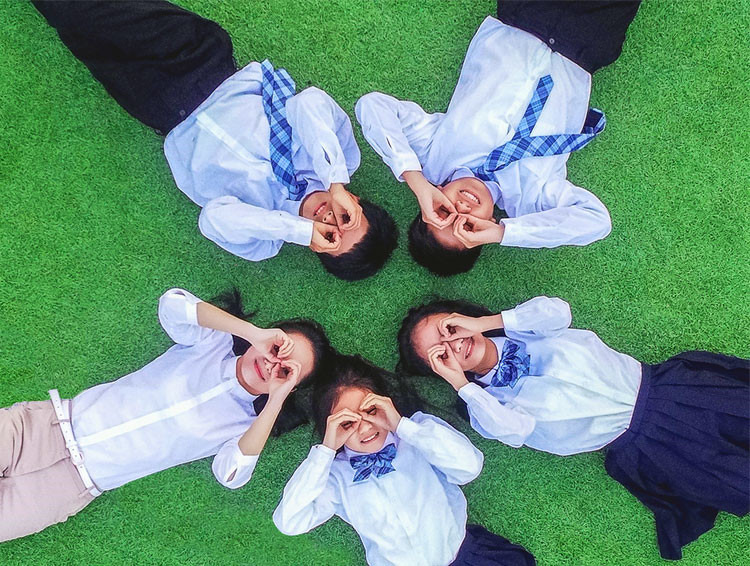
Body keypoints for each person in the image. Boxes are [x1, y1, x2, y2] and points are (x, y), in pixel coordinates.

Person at [32, 0, 397, 281]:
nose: (330, 219)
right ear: (356, 202)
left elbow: (214, 217)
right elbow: (308, 103)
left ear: (316, 247)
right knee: (93, 9)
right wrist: (335, 182)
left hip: (158, 106)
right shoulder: (341, 159)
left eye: (331, 236)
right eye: (346, 219)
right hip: (202, 62)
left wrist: (296, 230)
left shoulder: (263, 239)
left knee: (73, 30)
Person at [397, 295, 749, 559]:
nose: (454, 344)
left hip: (669, 389)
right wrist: (462, 385)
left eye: (449, 329)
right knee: (737, 478)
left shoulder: (527, 327)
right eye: (440, 354)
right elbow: (515, 430)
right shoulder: (486, 408)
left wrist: (486, 322)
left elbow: (559, 312)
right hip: (646, 447)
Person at [0, 287, 332, 542]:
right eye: (278, 349)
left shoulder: (246, 429)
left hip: (68, 487)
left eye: (286, 371)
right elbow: (171, 304)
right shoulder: (211, 342)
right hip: (41, 428)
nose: (273, 364)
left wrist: (276, 399)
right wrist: (253, 334)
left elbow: (231, 476)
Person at [355, 11, 629, 275]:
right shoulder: (531, 198)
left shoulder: (433, 154)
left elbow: (372, 107)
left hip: (523, 19)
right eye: (468, 226)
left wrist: (416, 181)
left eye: (445, 211)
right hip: (584, 46)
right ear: (488, 224)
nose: (462, 210)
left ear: (434, 197)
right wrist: (504, 233)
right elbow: (596, 220)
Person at [273, 354, 536, 566]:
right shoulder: (333, 476)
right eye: (348, 422)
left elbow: (469, 467)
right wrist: (326, 450)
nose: (365, 428)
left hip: (465, 557)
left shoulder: (419, 433)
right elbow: (289, 522)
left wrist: (401, 426)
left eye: (371, 410)